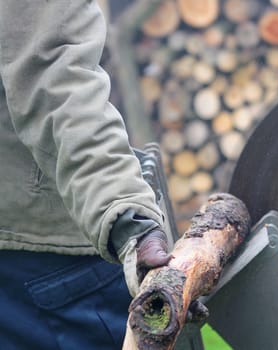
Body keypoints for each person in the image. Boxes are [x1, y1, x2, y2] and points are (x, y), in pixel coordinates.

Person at [0, 1, 172, 348]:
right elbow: (53, 71)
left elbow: (50, 69)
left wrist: (124, 213)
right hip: (41, 270)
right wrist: (125, 214)